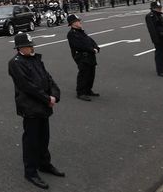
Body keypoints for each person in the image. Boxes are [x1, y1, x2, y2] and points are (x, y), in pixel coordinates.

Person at [8, 33, 64, 190]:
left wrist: (55, 94)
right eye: (28, 45)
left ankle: (44, 164)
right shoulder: (15, 63)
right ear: (20, 48)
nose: (32, 47)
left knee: (44, 137)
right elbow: (27, 86)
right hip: (30, 107)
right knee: (31, 141)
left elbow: (48, 78)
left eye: (32, 45)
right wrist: (47, 99)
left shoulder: (35, 59)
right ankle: (30, 172)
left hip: (43, 105)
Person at [66, 14, 100, 101]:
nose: (80, 22)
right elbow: (79, 46)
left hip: (90, 56)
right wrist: (92, 50)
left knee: (91, 74)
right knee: (84, 74)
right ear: (73, 23)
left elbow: (90, 40)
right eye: (77, 21)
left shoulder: (81, 31)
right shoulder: (71, 34)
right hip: (82, 57)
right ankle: (80, 92)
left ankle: (88, 90)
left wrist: (96, 47)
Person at [145, 1, 163, 78]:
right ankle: (160, 71)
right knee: (160, 55)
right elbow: (152, 30)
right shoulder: (150, 16)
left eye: (160, 7)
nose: (160, 8)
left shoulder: (158, 14)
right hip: (159, 39)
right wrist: (156, 40)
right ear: (154, 8)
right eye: (158, 8)